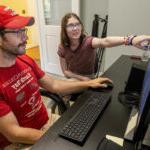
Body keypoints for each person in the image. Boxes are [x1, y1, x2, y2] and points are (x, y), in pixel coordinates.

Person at [0, 6, 113, 150]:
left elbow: (53, 84)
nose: (26, 37)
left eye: (24, 30)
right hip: (19, 142)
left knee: (91, 138)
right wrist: (56, 138)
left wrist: (90, 83)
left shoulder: (25, 60)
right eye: (17, 32)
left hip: (47, 122)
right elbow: (14, 134)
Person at [58, 12, 150, 81]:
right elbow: (65, 72)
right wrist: (80, 78)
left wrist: (130, 40)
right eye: (70, 25)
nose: (75, 28)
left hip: (89, 78)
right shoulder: (62, 47)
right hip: (73, 78)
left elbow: (104, 41)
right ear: (64, 29)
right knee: (59, 96)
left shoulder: (88, 42)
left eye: (77, 24)